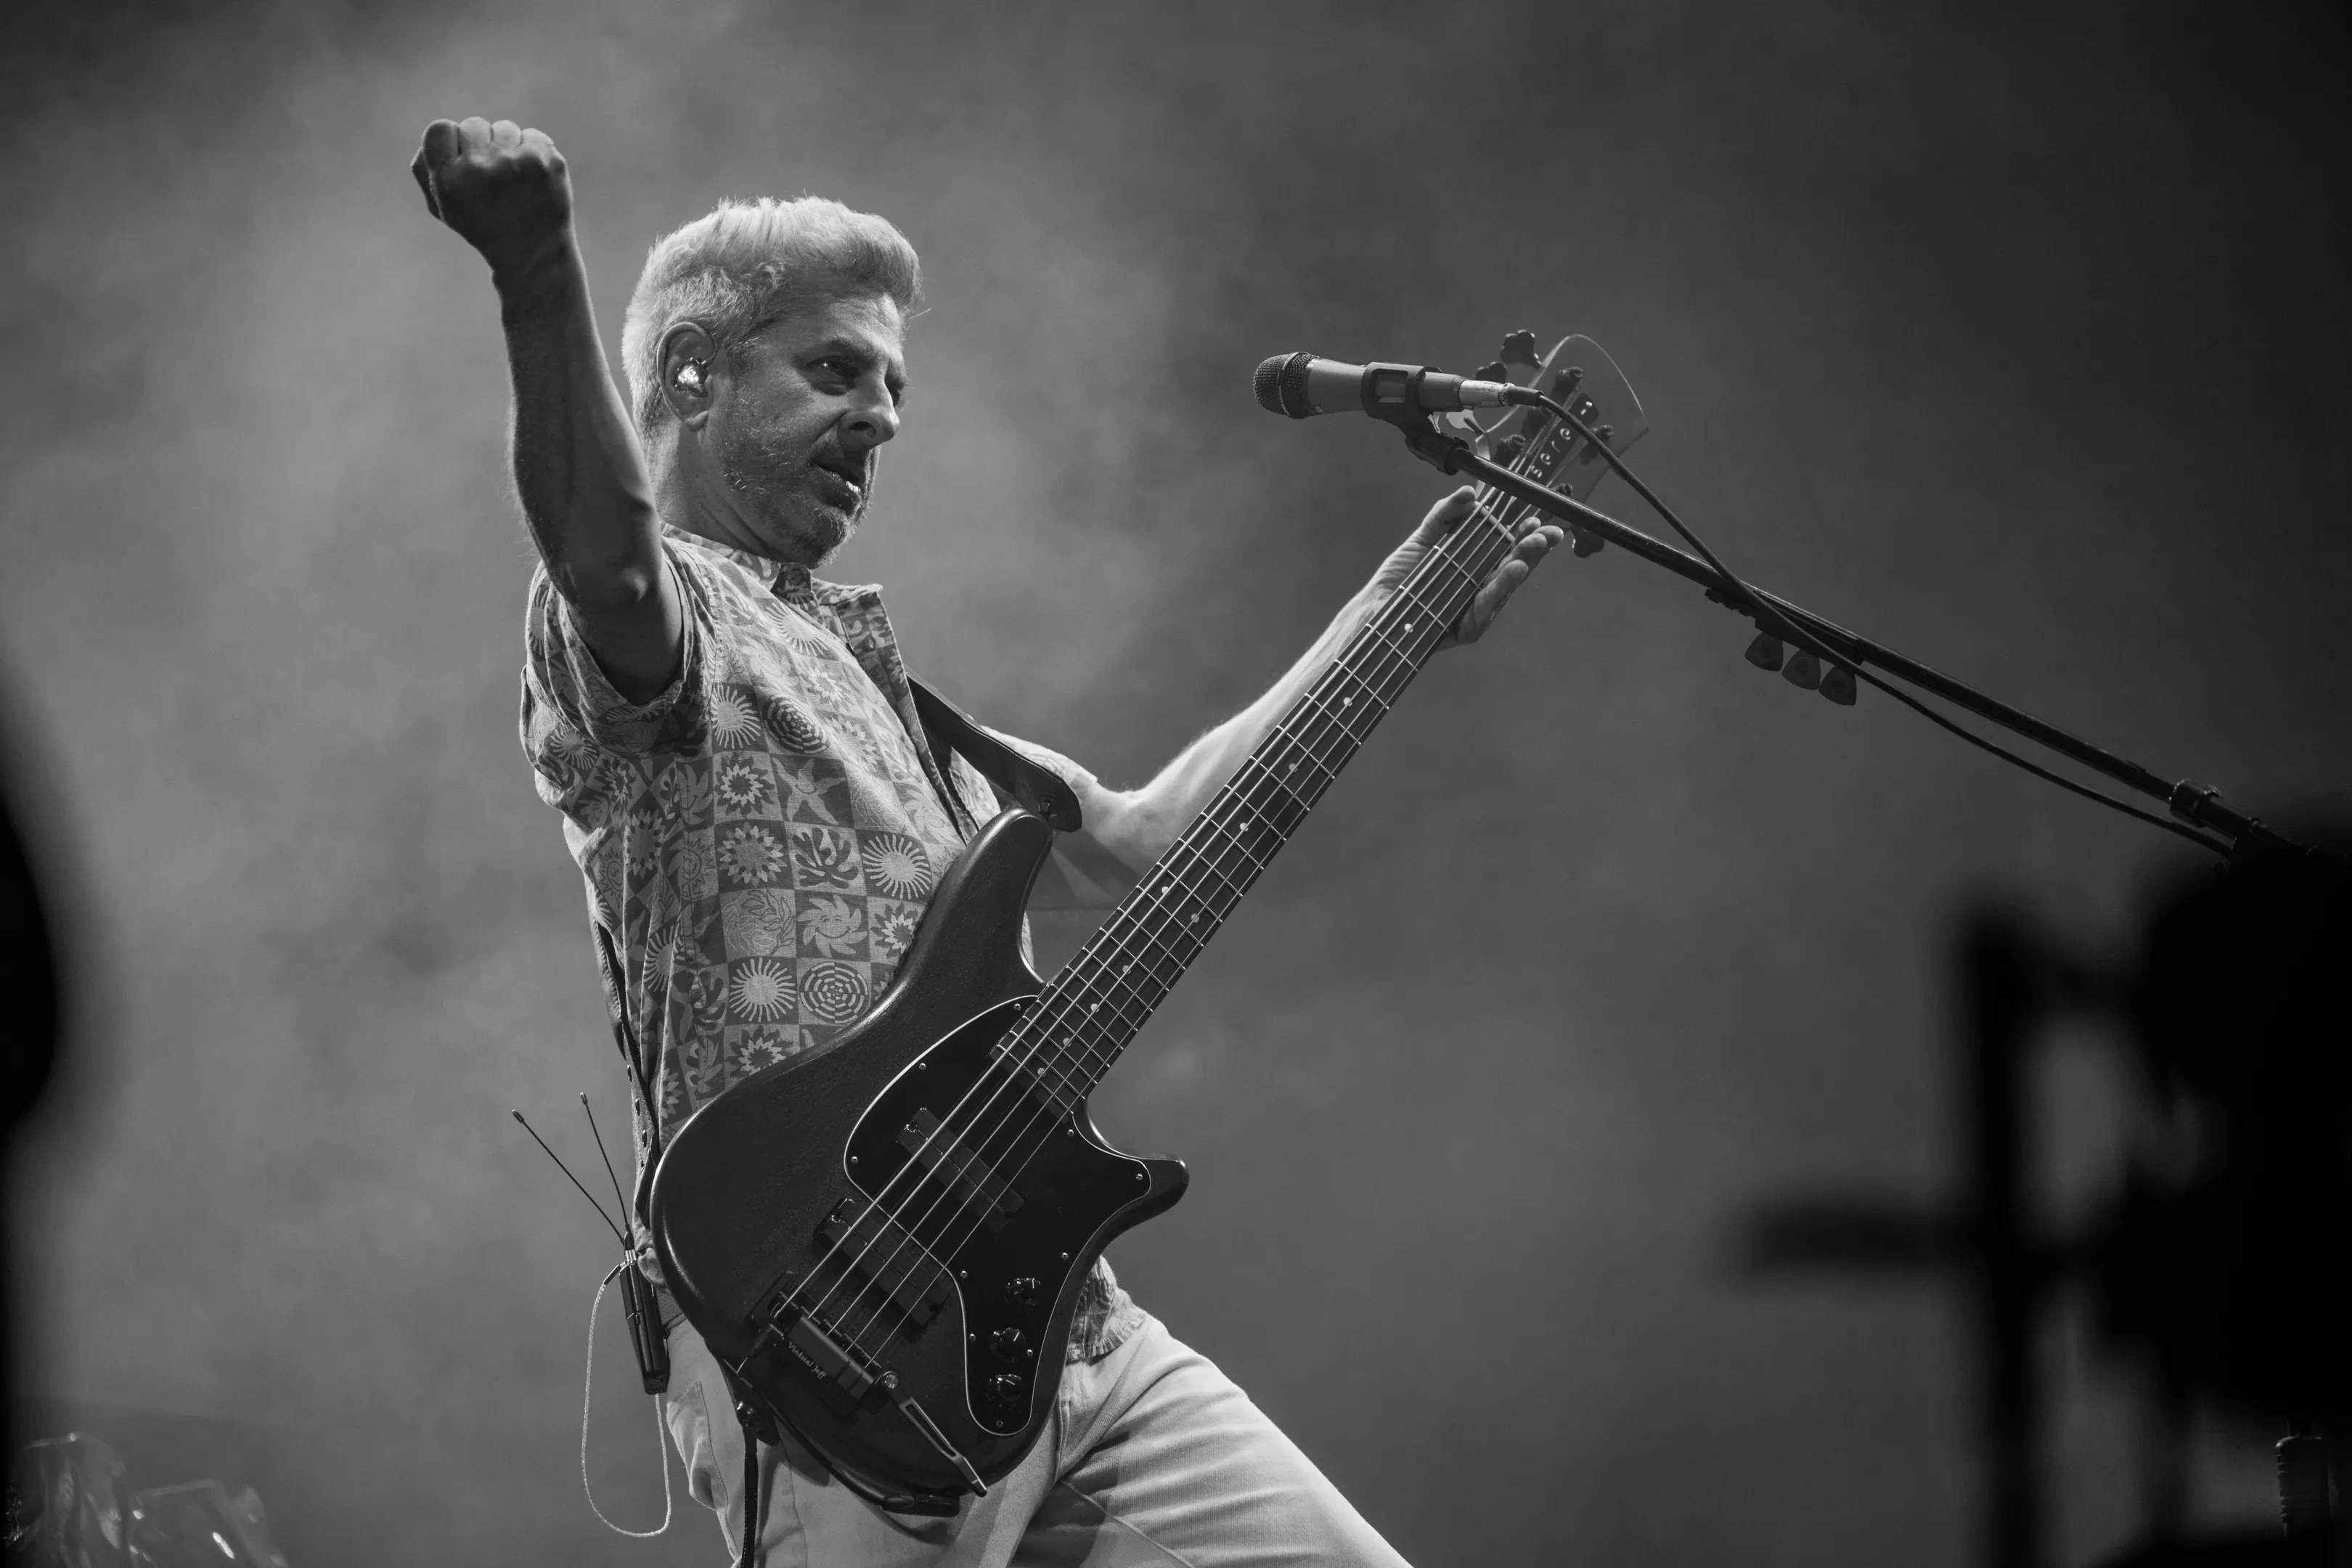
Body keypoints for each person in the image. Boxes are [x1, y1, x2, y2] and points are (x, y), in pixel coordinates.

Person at [412, 114, 1563, 1567]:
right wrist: (535, 271)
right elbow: (606, 562)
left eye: (894, 387)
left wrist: (1401, 610)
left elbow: (1144, 849)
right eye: (836, 370)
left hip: (1064, 1325)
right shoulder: (661, 624)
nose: (884, 417)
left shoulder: (894, 692)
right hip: (832, 1339)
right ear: (695, 373)